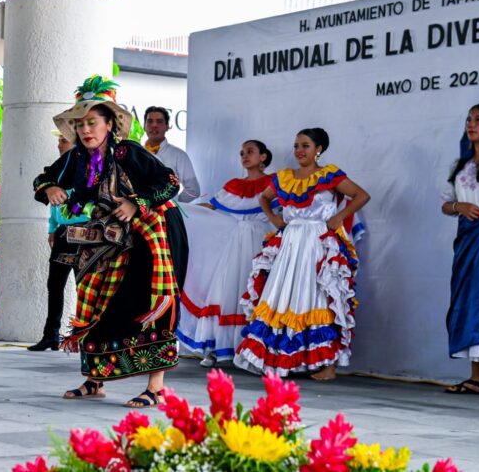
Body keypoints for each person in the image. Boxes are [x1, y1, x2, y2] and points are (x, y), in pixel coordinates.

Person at [33, 75, 188, 407]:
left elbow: (170, 182)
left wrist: (137, 203)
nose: (86, 130)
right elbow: (44, 175)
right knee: (97, 297)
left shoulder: (127, 151)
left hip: (154, 230)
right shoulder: (76, 157)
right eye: (80, 124)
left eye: (92, 122)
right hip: (113, 235)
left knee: (149, 303)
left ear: (109, 125)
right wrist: (50, 188)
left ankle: (156, 386)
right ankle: (95, 380)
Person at [233, 128, 370, 380]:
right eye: (296, 145)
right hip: (290, 244)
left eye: (305, 145)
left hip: (317, 242)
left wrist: (339, 217)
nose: (299, 150)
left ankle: (328, 365)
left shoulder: (329, 174)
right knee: (284, 296)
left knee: (318, 296)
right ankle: (284, 360)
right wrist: (275, 219)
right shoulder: (285, 177)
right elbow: (265, 198)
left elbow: (361, 195)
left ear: (318, 149)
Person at [178, 140, 275, 368]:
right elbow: (211, 208)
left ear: (263, 157)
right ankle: (215, 346)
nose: (244, 156)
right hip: (233, 247)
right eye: (242, 152)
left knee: (252, 291)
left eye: (250, 151)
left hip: (259, 243)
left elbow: (282, 209)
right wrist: (177, 210)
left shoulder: (274, 182)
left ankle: (255, 349)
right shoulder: (233, 185)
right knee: (224, 291)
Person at [441, 103, 479, 398]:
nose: (471, 124)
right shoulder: (460, 165)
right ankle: (477, 378)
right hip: (469, 241)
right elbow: (446, 204)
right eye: (469, 119)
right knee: (473, 304)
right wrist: (459, 207)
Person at [28, 132, 88, 351]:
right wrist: (53, 229)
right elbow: (54, 205)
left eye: (64, 140)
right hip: (63, 233)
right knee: (55, 284)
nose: (59, 144)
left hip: (85, 232)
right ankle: (51, 335)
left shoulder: (87, 166)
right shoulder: (57, 171)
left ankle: (83, 335)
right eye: (59, 140)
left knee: (84, 286)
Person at [143, 106, 200, 202]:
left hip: (168, 214)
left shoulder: (179, 155)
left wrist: (175, 204)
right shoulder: (135, 154)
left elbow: (194, 190)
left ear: (167, 126)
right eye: (150, 121)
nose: (154, 125)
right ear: (144, 126)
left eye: (159, 121)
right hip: (140, 212)